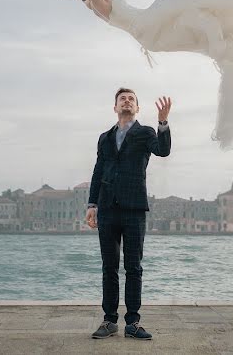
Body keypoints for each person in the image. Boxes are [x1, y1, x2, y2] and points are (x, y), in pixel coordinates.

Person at [58, 0, 233, 150]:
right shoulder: (97, 3)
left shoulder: (93, 2)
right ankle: (219, 44)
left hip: (148, 27)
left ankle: (220, 43)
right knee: (186, 0)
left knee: (189, 14)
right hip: (147, 27)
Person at [86, 87, 171, 340]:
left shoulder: (145, 133)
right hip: (107, 210)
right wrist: (92, 206)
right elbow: (98, 171)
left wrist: (163, 122)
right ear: (115, 107)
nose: (126, 101)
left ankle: (132, 323)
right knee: (109, 267)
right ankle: (109, 321)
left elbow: (163, 150)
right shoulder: (104, 137)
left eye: (131, 99)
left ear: (137, 108)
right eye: (122, 99)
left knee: (133, 267)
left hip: (134, 209)